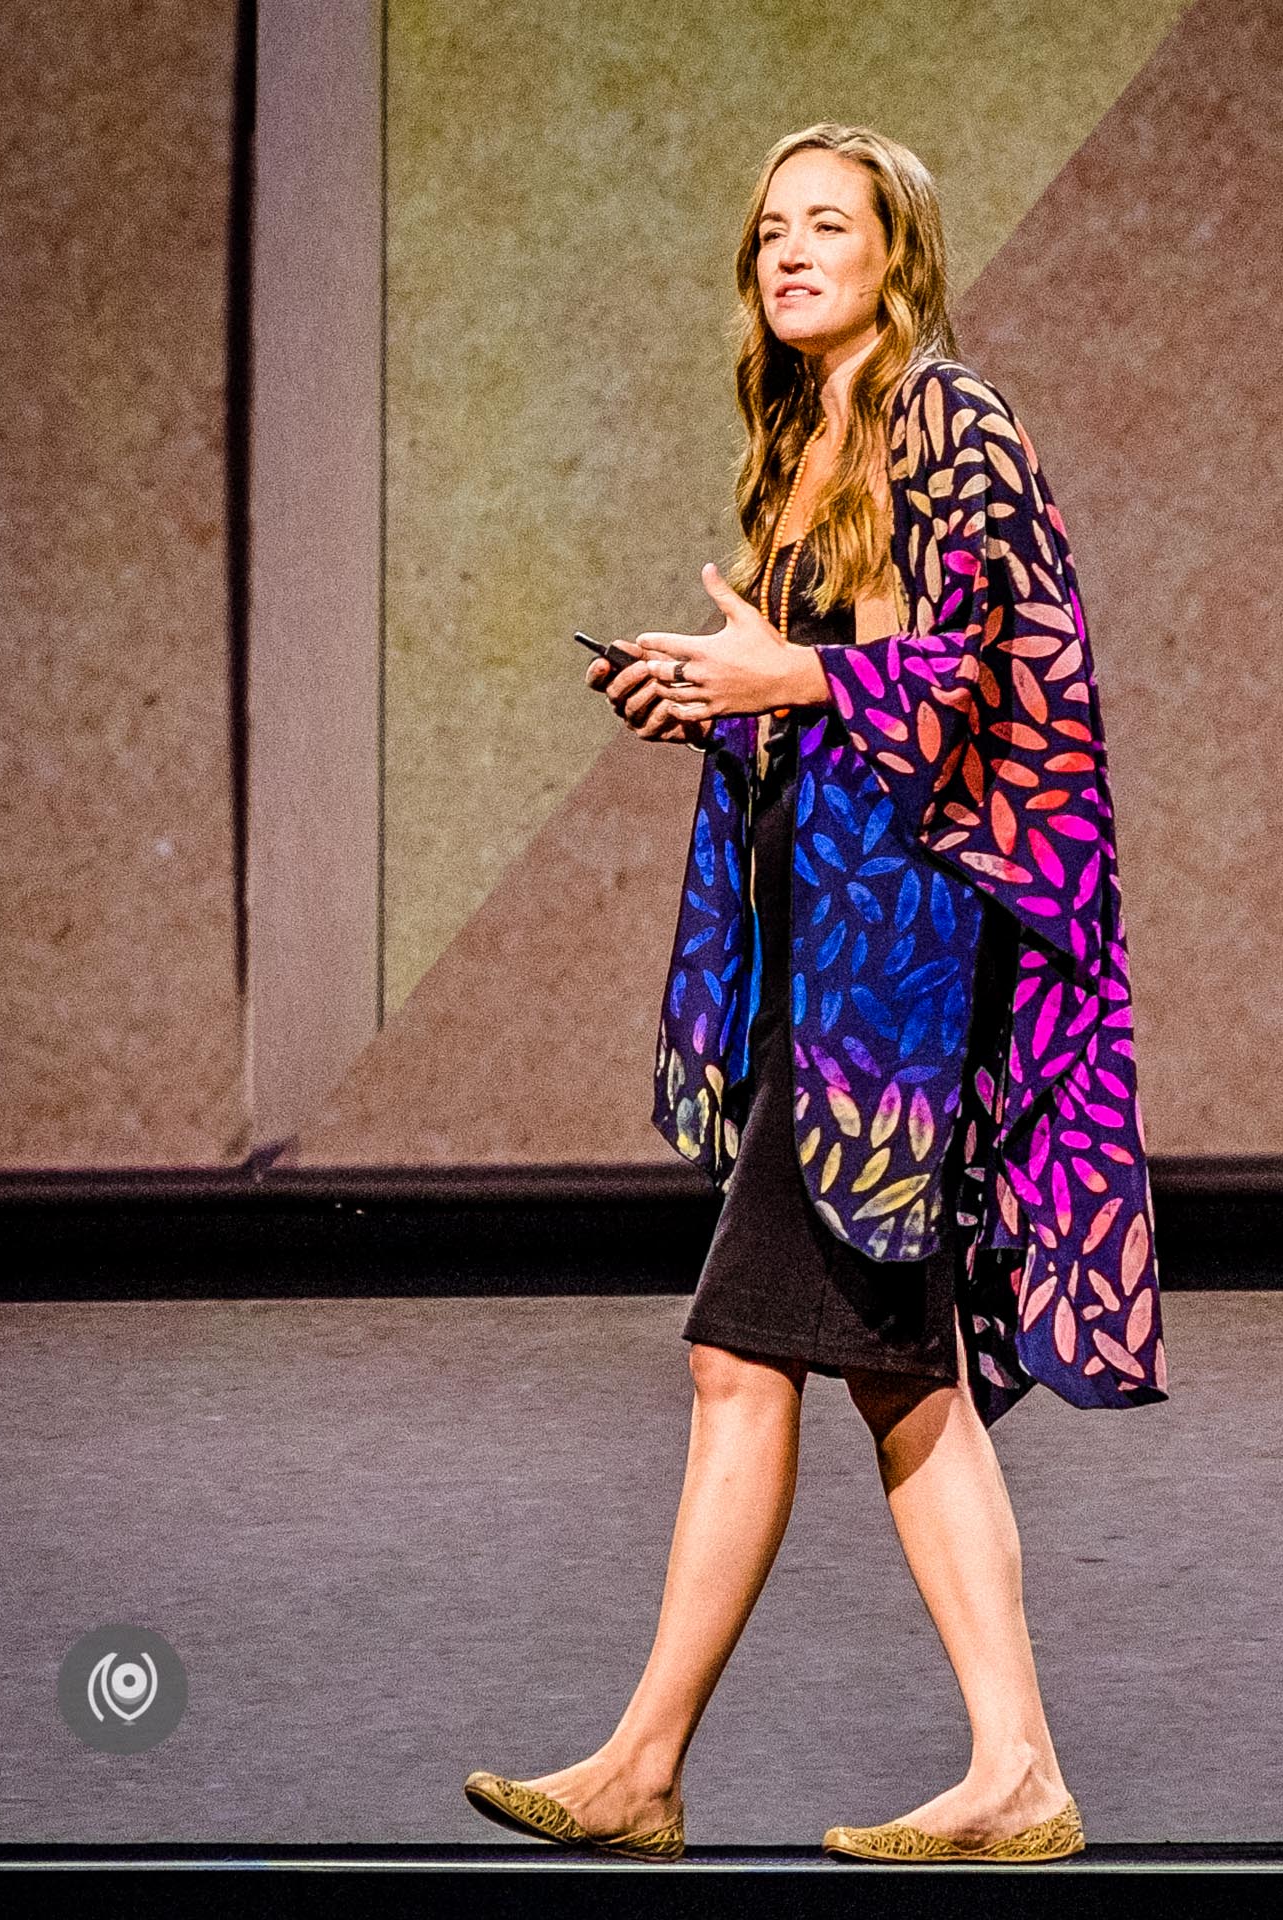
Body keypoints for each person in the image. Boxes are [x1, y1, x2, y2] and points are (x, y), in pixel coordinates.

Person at [464, 122, 1165, 1866]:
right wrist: (718, 694)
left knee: (735, 1356)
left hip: (905, 996)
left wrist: (805, 672)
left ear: (895, 250)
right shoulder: (801, 441)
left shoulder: (950, 416)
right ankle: (1018, 1770)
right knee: (896, 1372)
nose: (789, 252)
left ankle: (643, 1766)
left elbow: (1026, 665)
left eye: (826, 224)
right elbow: (838, 697)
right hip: (820, 964)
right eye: (770, 227)